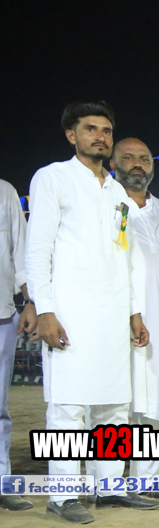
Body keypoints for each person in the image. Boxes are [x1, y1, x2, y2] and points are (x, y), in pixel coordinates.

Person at [24, 102, 159, 523]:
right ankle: (63, 495)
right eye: (90, 129)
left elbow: (126, 255)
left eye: (106, 131)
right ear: (72, 135)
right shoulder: (52, 178)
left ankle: (110, 488)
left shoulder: (117, 192)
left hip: (113, 312)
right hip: (70, 310)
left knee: (113, 406)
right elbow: (38, 249)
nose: (100, 137)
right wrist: (45, 309)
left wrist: (134, 312)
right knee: (68, 408)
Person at [109, 138, 159, 499]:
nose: (137, 164)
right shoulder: (105, 204)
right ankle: (108, 482)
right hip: (115, 318)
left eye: (144, 159)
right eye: (128, 158)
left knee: (156, 400)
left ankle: (147, 481)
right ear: (113, 162)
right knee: (114, 403)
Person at [1, 179, 33, 511]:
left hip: (1, 313)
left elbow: (20, 252)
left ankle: (3, 483)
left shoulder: (5, 192)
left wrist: (30, 302)